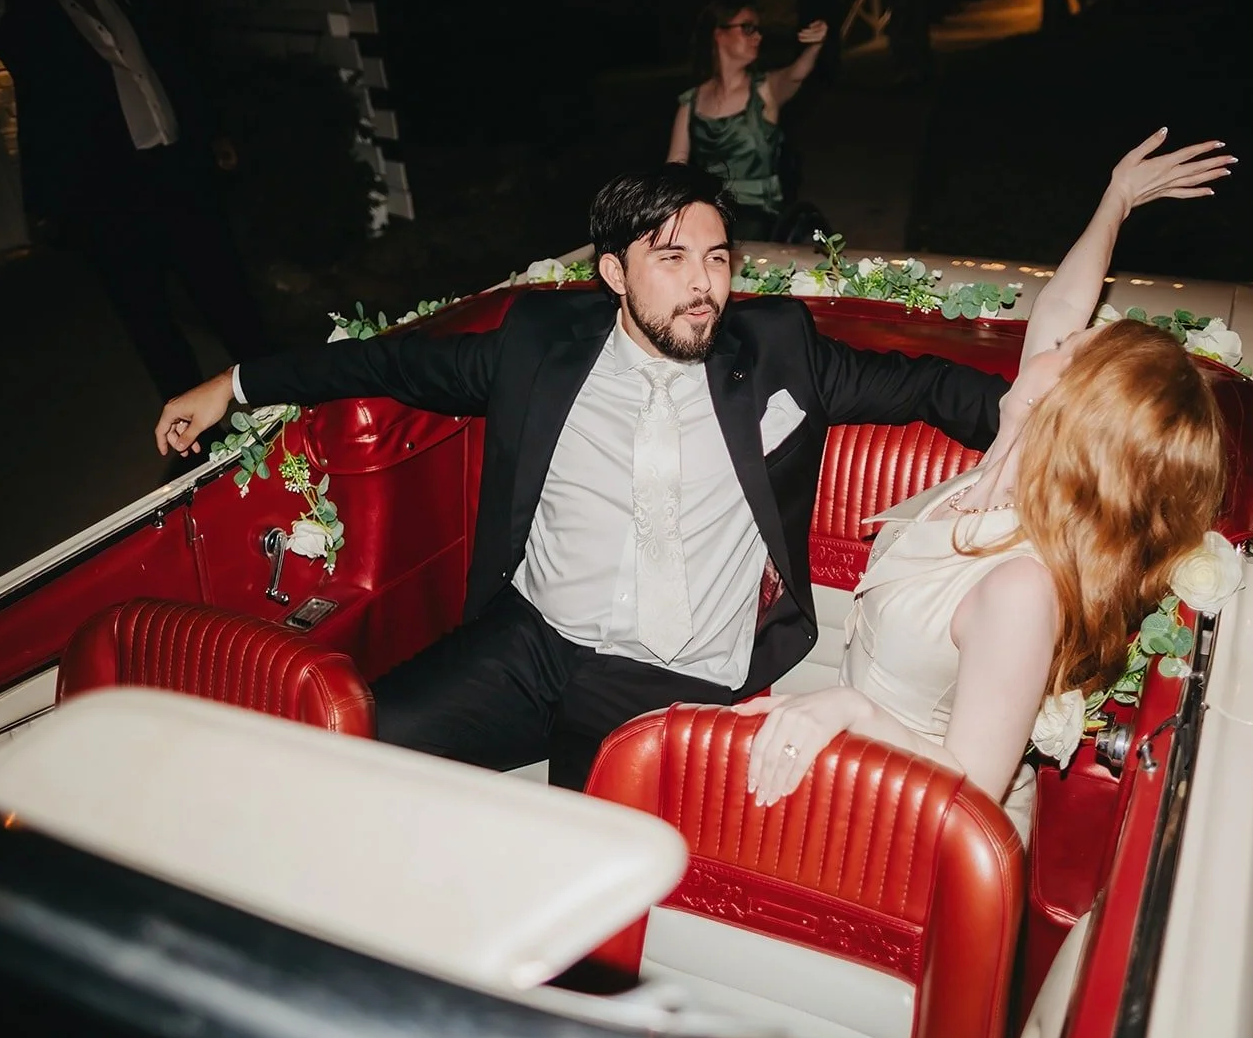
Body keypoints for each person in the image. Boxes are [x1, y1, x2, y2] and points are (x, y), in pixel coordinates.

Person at [153, 162, 1013, 790]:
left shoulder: (779, 351)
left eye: (717, 258)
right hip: (532, 639)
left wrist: (1052, 434)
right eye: (672, 259)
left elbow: (932, 386)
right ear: (613, 274)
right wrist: (232, 384)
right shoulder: (538, 348)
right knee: (345, 742)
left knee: (567, 834)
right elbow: (392, 365)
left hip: (676, 667)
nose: (704, 286)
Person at [734, 129, 1237, 842]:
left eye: (1066, 352)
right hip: (848, 748)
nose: (1054, 339)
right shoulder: (1013, 454)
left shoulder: (1020, 588)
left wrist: (851, 714)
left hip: (912, 820)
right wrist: (1117, 199)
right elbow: (1063, 302)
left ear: (1064, 416)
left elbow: (973, 784)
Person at [0, 0, 274, 417]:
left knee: (229, 293)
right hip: (107, 193)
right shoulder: (24, 8)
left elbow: (171, 59)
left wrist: (211, 129)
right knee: (149, 319)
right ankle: (200, 440)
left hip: (178, 167)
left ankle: (282, 399)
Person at [666, 0, 828, 241]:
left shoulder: (765, 91)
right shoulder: (691, 102)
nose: (758, 37)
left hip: (760, 215)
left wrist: (816, 45)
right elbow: (675, 167)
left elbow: (796, 74)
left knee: (737, 231)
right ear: (719, 34)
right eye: (748, 28)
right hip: (713, 211)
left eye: (758, 30)